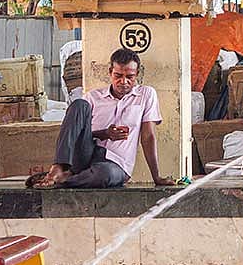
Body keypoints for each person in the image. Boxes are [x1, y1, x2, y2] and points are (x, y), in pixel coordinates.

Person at [28, 48, 175, 189]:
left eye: (130, 77)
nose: (124, 81)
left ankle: (63, 180)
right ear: (110, 72)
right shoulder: (93, 97)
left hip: (116, 164)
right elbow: (79, 134)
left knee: (105, 174)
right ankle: (59, 167)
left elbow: (148, 136)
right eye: (118, 76)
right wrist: (105, 134)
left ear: (137, 75)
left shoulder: (146, 95)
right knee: (79, 104)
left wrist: (157, 177)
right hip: (86, 157)